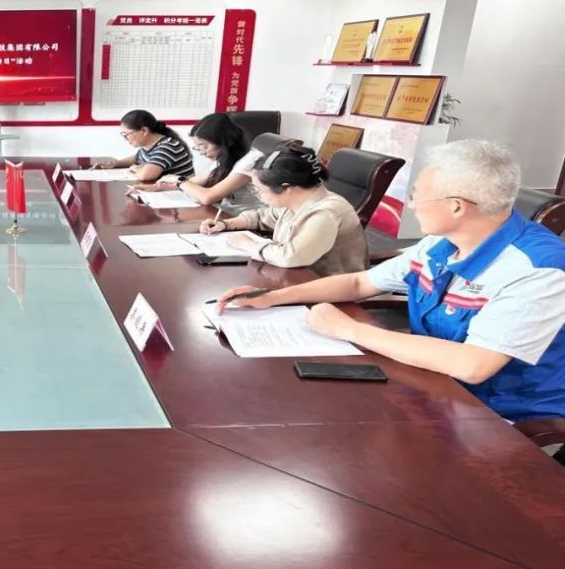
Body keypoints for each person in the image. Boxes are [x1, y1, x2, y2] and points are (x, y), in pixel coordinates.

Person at [216, 140, 565, 422]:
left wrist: (349, 329)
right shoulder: (441, 243)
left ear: (457, 207)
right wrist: (273, 297)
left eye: (416, 196)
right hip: (429, 382)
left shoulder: (537, 269)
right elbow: (360, 284)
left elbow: (473, 366)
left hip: (497, 412)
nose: (410, 205)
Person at [200, 145, 367, 276]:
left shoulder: (325, 214)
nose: (258, 195)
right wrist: (226, 224)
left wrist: (248, 244)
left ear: (286, 188)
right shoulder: (295, 201)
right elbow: (261, 217)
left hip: (328, 287)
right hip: (294, 276)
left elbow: (291, 257)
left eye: (260, 190)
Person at [135, 113, 264, 214]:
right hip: (223, 216)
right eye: (198, 148)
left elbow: (207, 197)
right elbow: (195, 182)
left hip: (248, 222)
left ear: (224, 142)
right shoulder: (226, 158)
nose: (202, 152)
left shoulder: (250, 161)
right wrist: (156, 188)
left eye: (204, 146)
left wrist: (179, 180)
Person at [94, 109, 194, 181]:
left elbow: (146, 175)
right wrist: (115, 163)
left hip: (180, 196)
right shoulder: (150, 145)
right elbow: (136, 158)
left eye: (126, 134)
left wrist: (135, 168)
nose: (126, 139)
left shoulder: (167, 146)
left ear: (144, 130)